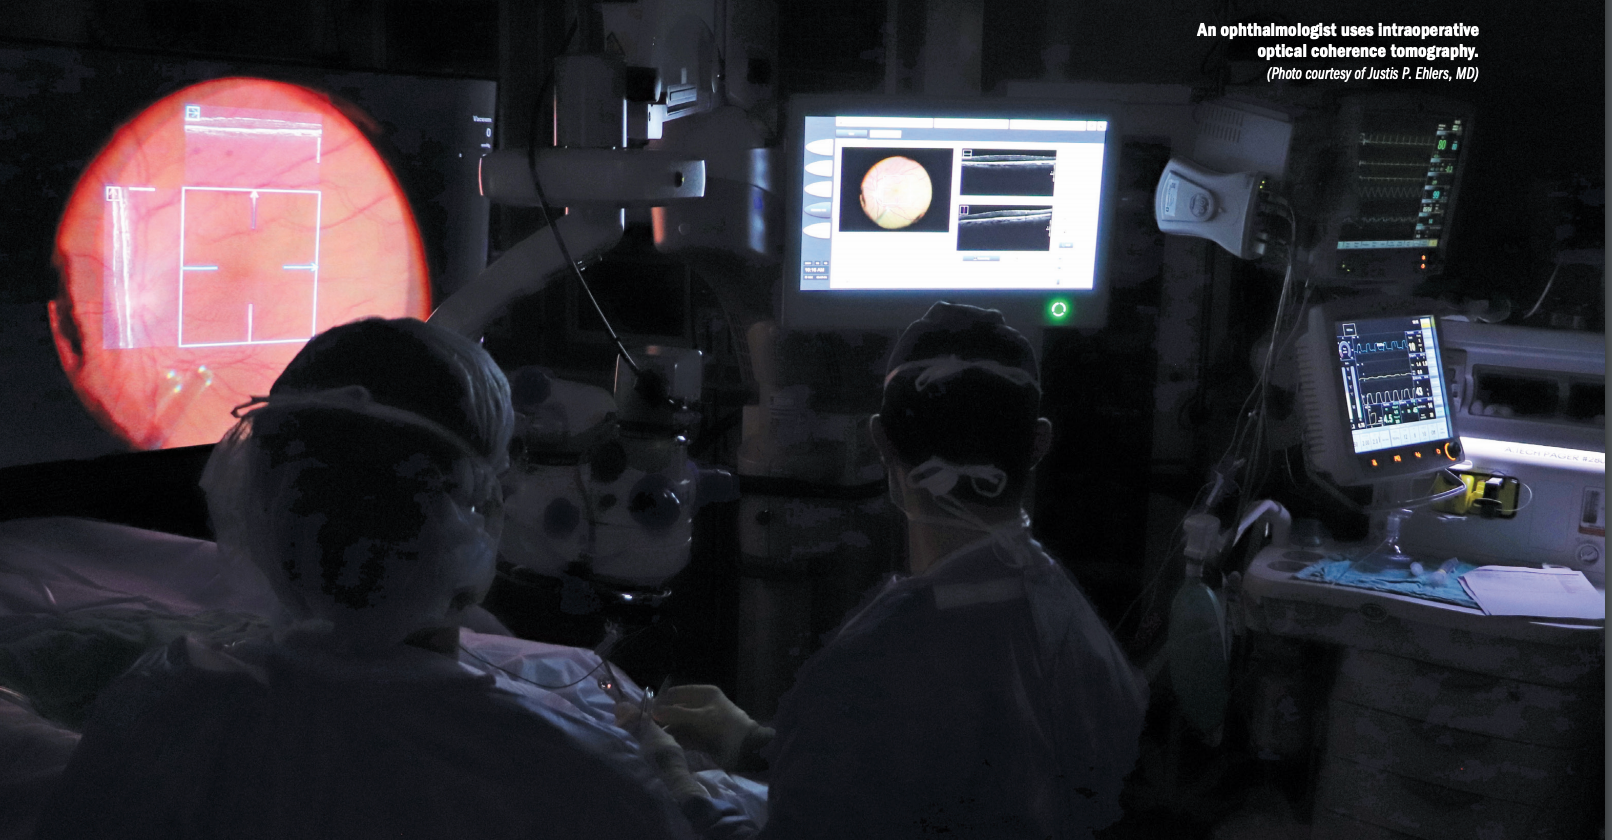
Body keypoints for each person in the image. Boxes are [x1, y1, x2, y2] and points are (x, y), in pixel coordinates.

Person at [35, 317, 704, 840]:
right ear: (480, 510)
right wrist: (686, 772)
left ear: (263, 501)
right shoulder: (578, 776)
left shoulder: (162, 716)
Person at [622, 302, 1150, 839]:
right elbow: (952, 778)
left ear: (880, 440)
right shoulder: (1087, 643)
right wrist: (754, 743)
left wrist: (672, 780)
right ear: (1038, 442)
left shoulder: (868, 668)